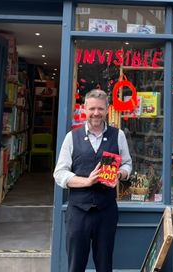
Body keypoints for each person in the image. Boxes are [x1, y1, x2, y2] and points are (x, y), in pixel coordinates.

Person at [54, 89, 132, 272]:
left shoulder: (118, 135)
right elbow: (59, 173)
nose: (96, 113)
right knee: (75, 265)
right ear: (84, 109)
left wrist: (119, 175)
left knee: (105, 265)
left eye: (100, 108)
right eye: (92, 109)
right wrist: (86, 182)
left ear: (107, 110)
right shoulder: (72, 137)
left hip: (106, 210)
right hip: (78, 212)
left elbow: (128, 165)